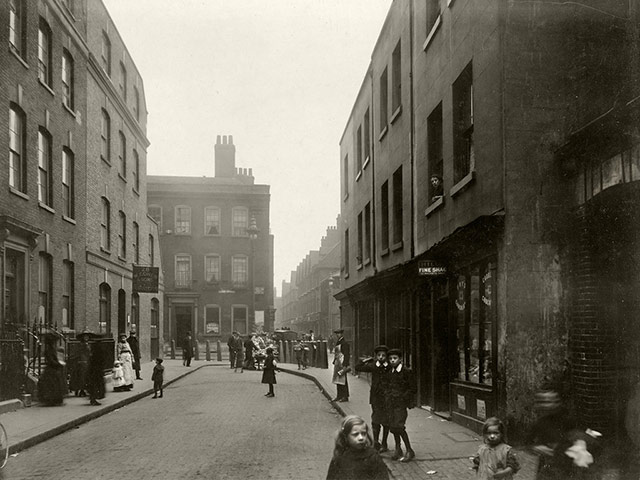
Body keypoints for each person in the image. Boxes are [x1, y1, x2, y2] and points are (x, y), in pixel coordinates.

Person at [525, 389, 586, 480]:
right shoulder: (539, 423)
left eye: (550, 401)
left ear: (558, 403)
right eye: (543, 402)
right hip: (547, 464)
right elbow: (528, 442)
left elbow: (578, 438)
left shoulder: (567, 421)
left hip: (565, 463)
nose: (547, 405)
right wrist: (537, 448)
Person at [326, 415, 389, 480]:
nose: (361, 438)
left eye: (363, 433)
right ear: (346, 436)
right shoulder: (340, 456)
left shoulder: (372, 456)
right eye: (355, 434)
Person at [355, 345, 391, 452]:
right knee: (375, 419)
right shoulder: (373, 366)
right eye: (379, 355)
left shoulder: (389, 367)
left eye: (383, 355)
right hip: (375, 397)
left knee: (386, 420)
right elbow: (357, 367)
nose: (381, 357)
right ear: (376, 356)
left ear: (386, 357)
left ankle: (384, 443)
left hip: (387, 397)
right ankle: (376, 442)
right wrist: (365, 360)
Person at [385, 348, 417, 462]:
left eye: (395, 358)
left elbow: (412, 388)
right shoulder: (390, 372)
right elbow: (387, 386)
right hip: (391, 403)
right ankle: (398, 449)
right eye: (390, 359)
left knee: (399, 426)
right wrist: (388, 395)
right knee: (393, 427)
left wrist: (403, 397)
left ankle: (409, 450)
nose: (392, 361)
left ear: (400, 359)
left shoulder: (406, 372)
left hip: (401, 404)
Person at [38, 333, 67, 406]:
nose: (55, 343)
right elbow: (51, 360)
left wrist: (58, 363)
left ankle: (56, 400)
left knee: (56, 384)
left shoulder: (53, 349)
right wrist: (58, 364)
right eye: (54, 342)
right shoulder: (48, 350)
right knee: (53, 385)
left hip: (53, 368)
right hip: (51, 369)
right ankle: (52, 400)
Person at [70, 330, 91, 397]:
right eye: (85, 336)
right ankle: (80, 390)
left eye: (87, 336)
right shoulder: (80, 345)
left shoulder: (88, 344)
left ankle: (83, 390)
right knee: (81, 377)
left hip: (87, 361)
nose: (86, 337)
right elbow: (78, 353)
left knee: (86, 377)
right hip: (81, 362)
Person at [332, 328, 350, 402]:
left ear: (342, 334)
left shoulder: (344, 343)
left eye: (338, 333)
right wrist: (334, 361)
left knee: (343, 380)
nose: (337, 335)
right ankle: (339, 395)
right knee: (337, 380)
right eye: (336, 334)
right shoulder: (338, 342)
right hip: (337, 363)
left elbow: (346, 354)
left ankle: (345, 396)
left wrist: (345, 364)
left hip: (342, 363)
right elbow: (336, 353)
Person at [87, 337, 106, 406]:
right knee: (96, 384)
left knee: (94, 385)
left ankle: (93, 398)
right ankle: (93, 399)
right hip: (97, 371)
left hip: (93, 370)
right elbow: (101, 361)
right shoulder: (99, 350)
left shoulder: (93, 350)